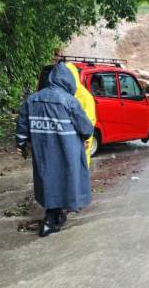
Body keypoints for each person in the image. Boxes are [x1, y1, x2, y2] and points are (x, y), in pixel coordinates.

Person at [16, 62, 94, 237]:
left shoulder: (32, 100)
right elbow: (86, 128)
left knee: (48, 180)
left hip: (43, 151)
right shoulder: (69, 101)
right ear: (68, 81)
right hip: (67, 150)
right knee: (67, 180)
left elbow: (22, 127)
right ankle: (51, 220)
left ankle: (54, 215)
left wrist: (21, 144)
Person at [64, 62, 97, 168]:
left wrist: (86, 140)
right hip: (68, 141)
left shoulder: (84, 96)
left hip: (80, 140)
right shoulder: (64, 93)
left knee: (78, 168)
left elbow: (89, 120)